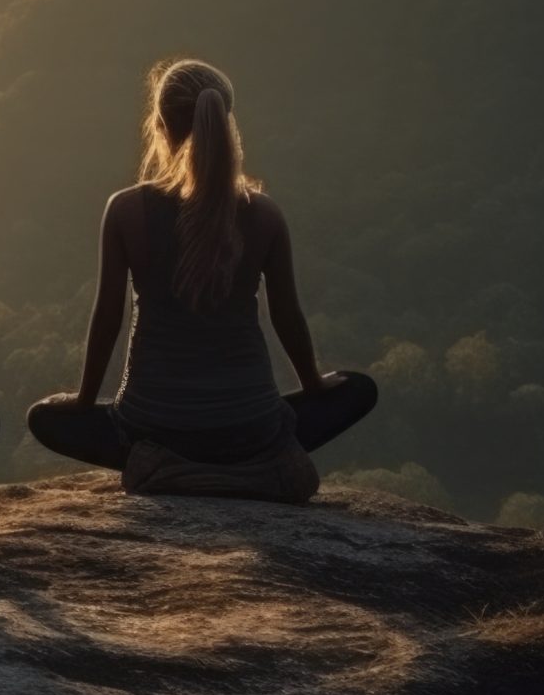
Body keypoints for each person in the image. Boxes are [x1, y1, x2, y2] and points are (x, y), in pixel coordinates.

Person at [27, 58, 377, 470]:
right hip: (251, 430)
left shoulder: (125, 211)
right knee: (358, 389)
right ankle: (249, 461)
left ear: (159, 126)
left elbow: (108, 316)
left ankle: (164, 464)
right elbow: (286, 315)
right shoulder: (264, 215)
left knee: (44, 417)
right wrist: (314, 385)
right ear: (226, 123)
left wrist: (84, 399)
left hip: (150, 429)